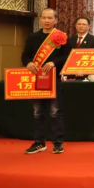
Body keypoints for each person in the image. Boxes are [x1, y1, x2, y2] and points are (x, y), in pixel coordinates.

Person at [21, 8, 69, 154]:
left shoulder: (61, 37)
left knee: (55, 112)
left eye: (50, 18)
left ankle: (58, 143)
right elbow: (25, 55)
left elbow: (67, 56)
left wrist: (54, 62)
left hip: (54, 78)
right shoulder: (33, 37)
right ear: (40, 19)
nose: (47, 21)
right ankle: (39, 142)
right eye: (44, 18)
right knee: (38, 112)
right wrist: (28, 63)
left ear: (56, 20)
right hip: (36, 79)